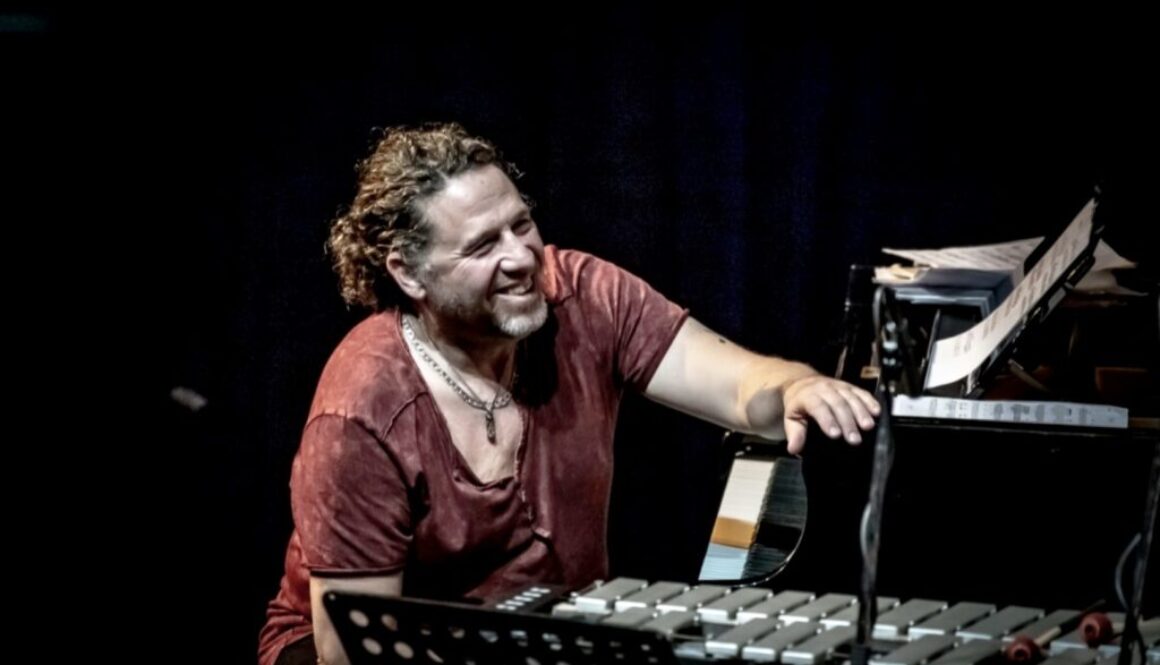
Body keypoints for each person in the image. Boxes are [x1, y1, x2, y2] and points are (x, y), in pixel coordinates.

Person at [258, 122, 879, 665]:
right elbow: (353, 650)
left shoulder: (582, 295)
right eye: (481, 245)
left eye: (521, 224)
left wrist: (793, 386)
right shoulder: (362, 410)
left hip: (545, 640)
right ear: (407, 272)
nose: (521, 257)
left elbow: (741, 384)